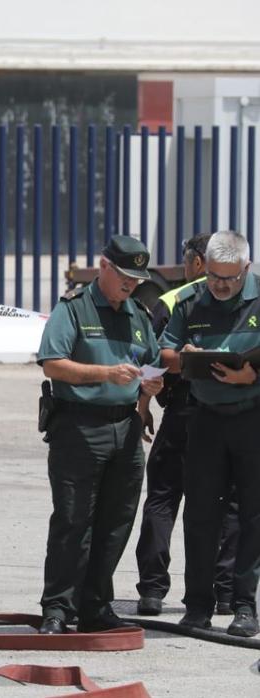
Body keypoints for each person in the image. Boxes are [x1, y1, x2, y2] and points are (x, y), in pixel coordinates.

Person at [35, 235, 163, 635]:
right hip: (79, 426)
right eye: (124, 276)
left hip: (125, 429)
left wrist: (148, 393)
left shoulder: (138, 315)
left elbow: (152, 363)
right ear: (104, 267)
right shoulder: (74, 309)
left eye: (136, 279)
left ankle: (95, 605)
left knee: (116, 522)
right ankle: (57, 607)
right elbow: (53, 364)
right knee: (73, 520)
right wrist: (105, 374)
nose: (130, 285)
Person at [158, 230, 260, 637]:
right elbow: (163, 353)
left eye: (229, 278)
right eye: (214, 276)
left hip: (251, 418)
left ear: (246, 269)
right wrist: (185, 359)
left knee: (252, 515)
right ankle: (197, 605)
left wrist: (251, 376)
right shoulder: (190, 300)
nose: (219, 285)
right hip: (204, 420)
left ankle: (243, 605)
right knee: (200, 513)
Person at [134, 232, 239, 616]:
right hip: (228, 416)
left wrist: (143, 404)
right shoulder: (243, 293)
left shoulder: (174, 299)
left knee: (162, 497)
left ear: (198, 261)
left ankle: (151, 590)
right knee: (227, 504)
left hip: (182, 412)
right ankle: (226, 593)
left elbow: (154, 360)